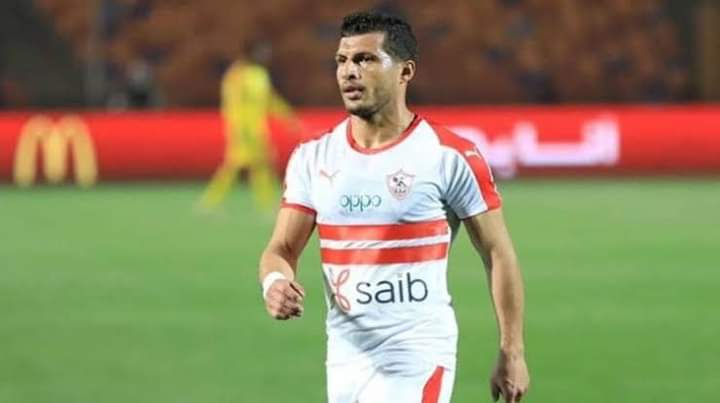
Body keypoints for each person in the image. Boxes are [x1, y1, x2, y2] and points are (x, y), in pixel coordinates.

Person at [258, 11, 529, 403]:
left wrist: (512, 351)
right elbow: (282, 248)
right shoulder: (312, 157)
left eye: (365, 59)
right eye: (342, 60)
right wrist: (274, 282)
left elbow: (497, 251)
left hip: (418, 354)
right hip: (344, 356)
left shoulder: (448, 156)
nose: (349, 72)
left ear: (405, 71)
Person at [199, 40, 300, 211]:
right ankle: (211, 202)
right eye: (261, 51)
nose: (265, 55)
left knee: (256, 164)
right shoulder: (237, 74)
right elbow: (232, 103)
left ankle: (214, 203)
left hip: (256, 128)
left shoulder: (260, 74)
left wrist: (288, 118)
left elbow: (269, 100)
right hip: (242, 128)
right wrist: (239, 128)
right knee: (241, 164)